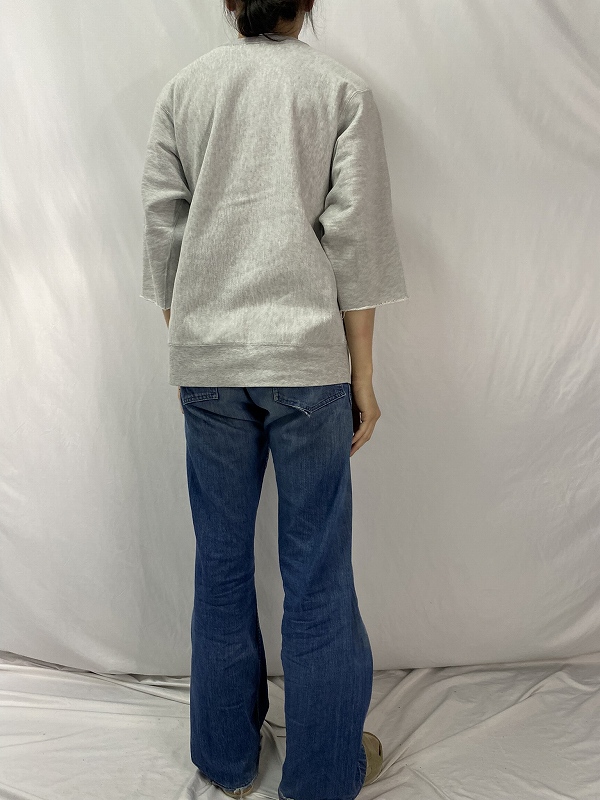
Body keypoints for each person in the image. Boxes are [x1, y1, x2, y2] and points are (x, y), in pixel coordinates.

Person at [140, 0, 408, 797]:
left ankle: (226, 761)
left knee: (220, 563)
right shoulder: (339, 92)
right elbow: (356, 241)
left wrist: (200, 337)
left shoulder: (185, 90)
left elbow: (163, 229)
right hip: (306, 361)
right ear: (306, 2)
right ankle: (322, 775)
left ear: (231, 2)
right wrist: (363, 374)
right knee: (317, 570)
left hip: (209, 361)